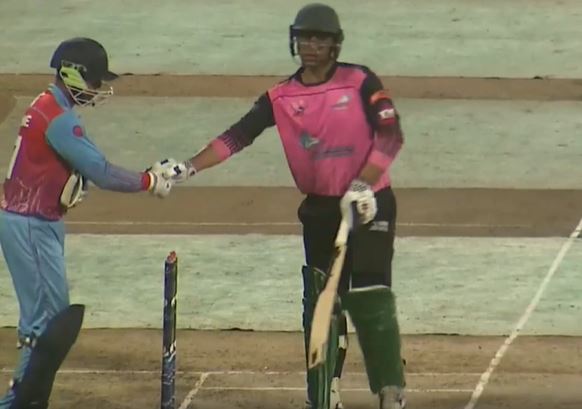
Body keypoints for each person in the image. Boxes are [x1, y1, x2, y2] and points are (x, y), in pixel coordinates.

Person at [156, 3, 407, 408]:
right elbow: (238, 136)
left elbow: (391, 134)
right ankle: (325, 392)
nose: (311, 46)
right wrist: (189, 167)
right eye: (305, 38)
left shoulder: (360, 81)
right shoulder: (281, 96)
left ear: (335, 45)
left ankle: (390, 390)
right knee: (323, 302)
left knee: (370, 292)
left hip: (369, 203)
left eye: (320, 40)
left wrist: (365, 183)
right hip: (321, 210)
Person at [0, 37, 175, 409]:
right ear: (72, 74)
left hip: (34, 221)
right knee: (47, 321)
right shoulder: (59, 119)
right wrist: (149, 180)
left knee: (48, 318)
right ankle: (18, 402)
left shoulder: (48, 105)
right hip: (29, 224)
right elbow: (102, 172)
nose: (96, 89)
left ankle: (25, 400)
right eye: (94, 80)